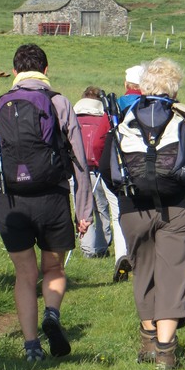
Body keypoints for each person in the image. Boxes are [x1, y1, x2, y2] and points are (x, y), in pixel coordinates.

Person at [100, 57, 185, 370]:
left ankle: (147, 336)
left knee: (143, 270)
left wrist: (127, 201)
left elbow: (106, 168)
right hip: (178, 208)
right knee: (173, 274)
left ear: (142, 87)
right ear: (175, 89)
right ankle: (165, 351)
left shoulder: (123, 117)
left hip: (132, 208)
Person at [0, 44, 93, 361]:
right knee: (53, 268)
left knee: (25, 275)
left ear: (14, 73)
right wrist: (84, 211)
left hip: (10, 202)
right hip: (52, 198)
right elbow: (79, 160)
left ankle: (31, 347)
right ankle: (52, 315)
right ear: (45, 70)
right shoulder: (58, 102)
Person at [73, 86, 126, 263]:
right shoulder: (103, 118)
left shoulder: (73, 116)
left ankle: (88, 248)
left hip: (77, 170)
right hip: (99, 169)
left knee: (83, 208)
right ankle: (103, 245)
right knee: (102, 208)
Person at [110, 64, 144, 282]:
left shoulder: (117, 105)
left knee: (118, 212)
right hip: (148, 164)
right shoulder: (153, 105)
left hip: (121, 163)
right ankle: (143, 253)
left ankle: (123, 253)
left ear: (126, 84)